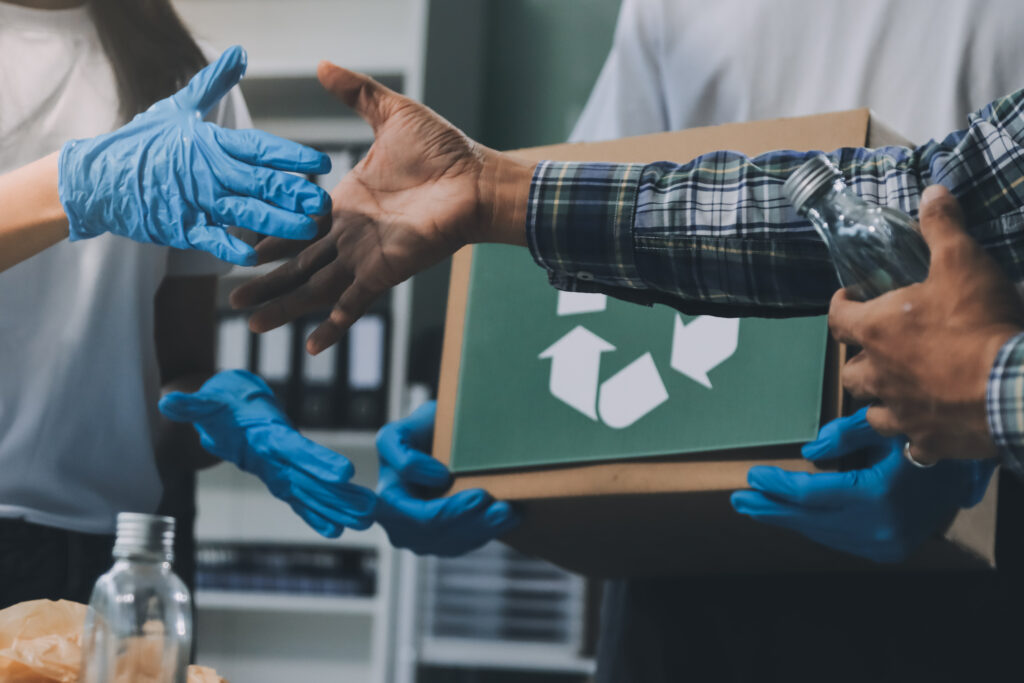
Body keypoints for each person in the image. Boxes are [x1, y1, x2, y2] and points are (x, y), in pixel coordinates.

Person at [221, 4, 1024, 679]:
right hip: (688, 560)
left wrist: (971, 444)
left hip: (969, 553)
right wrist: (477, 403)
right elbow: (646, 205)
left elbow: (954, 209)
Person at [0, 0, 370, 609]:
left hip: (119, 555)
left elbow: (177, 367)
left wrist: (220, 415)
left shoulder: (182, 79)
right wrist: (71, 188)